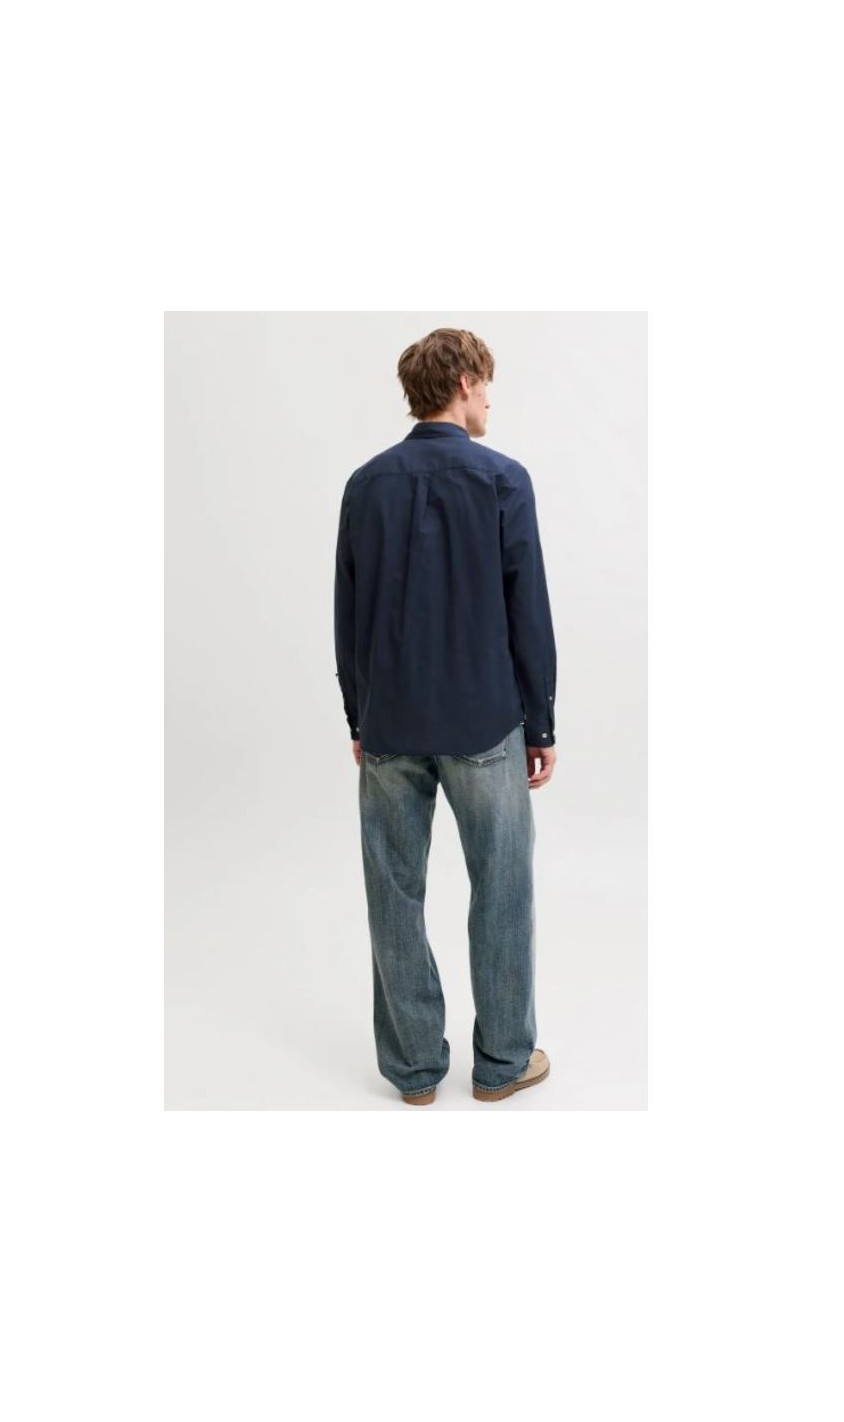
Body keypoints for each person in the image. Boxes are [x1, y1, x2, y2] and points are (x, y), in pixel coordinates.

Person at [333, 328, 558, 1106]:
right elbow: (528, 611)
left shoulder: (366, 484)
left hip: (390, 724)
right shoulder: (503, 479)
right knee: (503, 889)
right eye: (486, 384)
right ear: (463, 382)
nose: (490, 399)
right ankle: (502, 1062)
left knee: (393, 892)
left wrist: (359, 716)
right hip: (484, 724)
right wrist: (541, 724)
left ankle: (413, 1071)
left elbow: (348, 611)